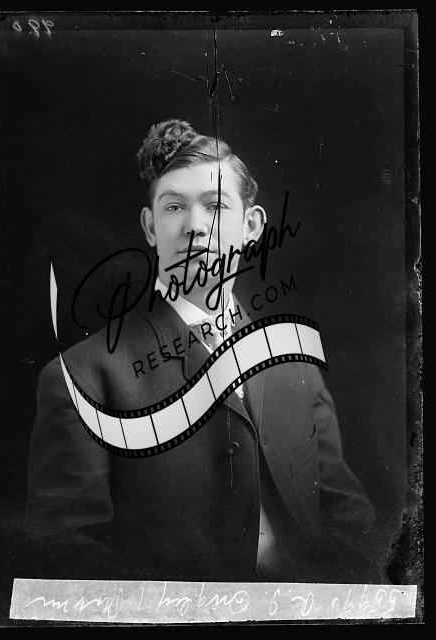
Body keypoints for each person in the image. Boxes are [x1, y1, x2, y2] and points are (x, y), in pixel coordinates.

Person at [25, 119, 377, 583]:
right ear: (150, 227)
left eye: (215, 205)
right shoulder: (83, 377)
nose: (194, 226)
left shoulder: (294, 362)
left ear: (252, 226)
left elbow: (346, 517)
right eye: (174, 207)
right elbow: (67, 557)